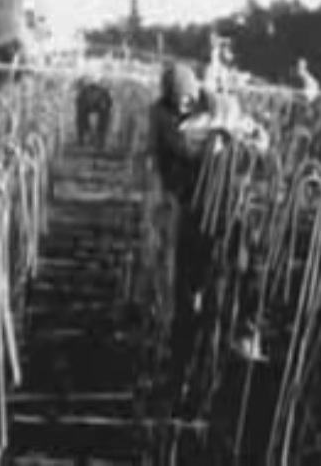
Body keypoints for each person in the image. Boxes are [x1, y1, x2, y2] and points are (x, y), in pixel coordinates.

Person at [148, 61, 213, 415]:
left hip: (214, 210)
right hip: (183, 208)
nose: (185, 104)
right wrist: (212, 137)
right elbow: (178, 151)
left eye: (189, 98)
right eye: (179, 100)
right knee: (183, 295)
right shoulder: (161, 116)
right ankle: (179, 373)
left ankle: (202, 365)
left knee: (206, 293)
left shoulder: (209, 104)